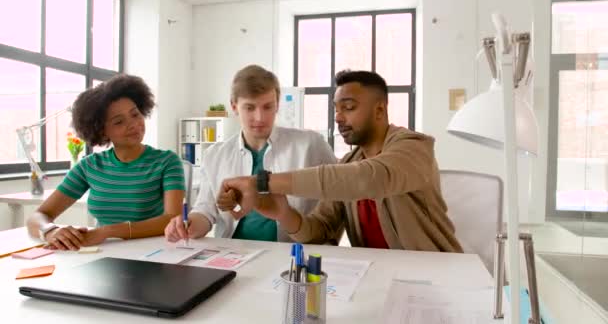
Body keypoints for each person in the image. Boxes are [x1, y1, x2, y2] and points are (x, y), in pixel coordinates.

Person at [220, 70, 463, 252]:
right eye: (335, 109)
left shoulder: (414, 147)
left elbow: (367, 178)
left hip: (435, 275)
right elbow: (319, 231)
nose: (338, 117)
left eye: (348, 107)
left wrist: (263, 182)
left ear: (380, 110)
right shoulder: (348, 163)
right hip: (377, 275)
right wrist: (284, 214)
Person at [164, 65, 336, 243]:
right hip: (234, 252)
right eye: (249, 108)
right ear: (234, 106)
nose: (260, 117)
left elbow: (339, 197)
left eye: (268, 107)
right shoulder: (215, 155)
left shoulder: (310, 144)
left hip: (291, 253)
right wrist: (189, 225)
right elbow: (205, 211)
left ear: (277, 104)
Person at [26, 75, 185, 250]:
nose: (133, 124)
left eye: (135, 114)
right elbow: (39, 216)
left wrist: (107, 232)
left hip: (154, 251)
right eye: (119, 122)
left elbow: (172, 218)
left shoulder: (167, 162)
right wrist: (51, 231)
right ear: (102, 132)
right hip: (103, 251)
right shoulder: (89, 166)